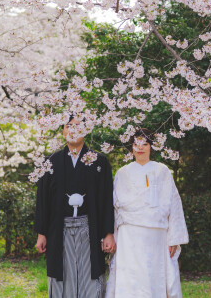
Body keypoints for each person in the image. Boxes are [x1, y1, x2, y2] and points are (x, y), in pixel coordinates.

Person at [35, 116, 116, 298]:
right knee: (62, 272)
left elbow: (105, 199)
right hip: (59, 227)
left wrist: (108, 233)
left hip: (90, 227)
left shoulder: (99, 161)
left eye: (78, 126)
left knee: (89, 273)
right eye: (68, 126)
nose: (72, 130)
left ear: (86, 130)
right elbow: (43, 199)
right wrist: (42, 232)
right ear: (63, 131)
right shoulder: (51, 162)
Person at [105, 128, 189, 298]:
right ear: (131, 147)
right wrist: (111, 236)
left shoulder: (162, 171)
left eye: (145, 144)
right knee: (130, 277)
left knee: (153, 276)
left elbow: (174, 203)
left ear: (151, 147)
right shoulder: (123, 173)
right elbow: (115, 208)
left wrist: (174, 237)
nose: (140, 148)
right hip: (129, 235)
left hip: (156, 234)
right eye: (136, 144)